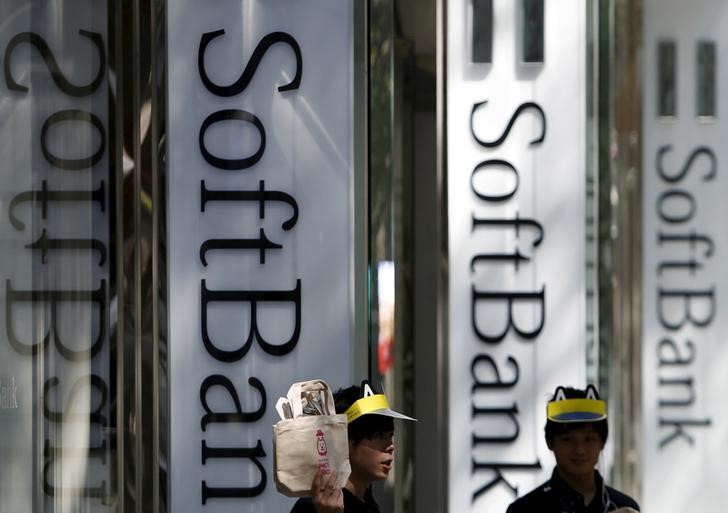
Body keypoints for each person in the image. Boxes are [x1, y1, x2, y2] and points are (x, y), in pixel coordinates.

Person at [506, 385, 640, 513]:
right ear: (549, 442)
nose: (579, 450)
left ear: (602, 442)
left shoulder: (624, 505)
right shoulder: (524, 509)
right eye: (567, 440)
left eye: (588, 439)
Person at [290, 380, 416, 513]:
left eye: (390, 435)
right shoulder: (313, 507)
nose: (390, 446)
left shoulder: (369, 504)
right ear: (344, 441)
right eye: (378, 435)